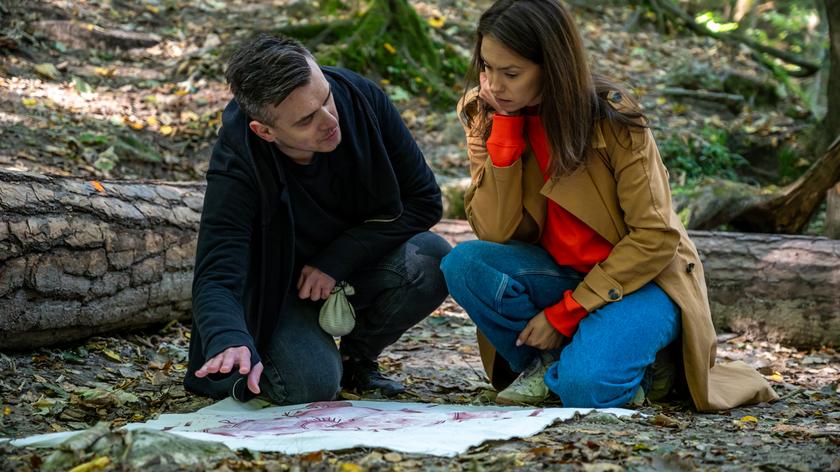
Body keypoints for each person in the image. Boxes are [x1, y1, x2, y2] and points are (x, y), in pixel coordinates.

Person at [440, 0, 777, 411]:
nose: (494, 85)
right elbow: (494, 231)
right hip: (556, 274)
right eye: (486, 67)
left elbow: (655, 237)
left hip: (642, 281)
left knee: (587, 389)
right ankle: (550, 365)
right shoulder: (486, 112)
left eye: (511, 74)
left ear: (553, 66)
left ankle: (650, 366)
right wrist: (506, 132)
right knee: (463, 263)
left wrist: (566, 313)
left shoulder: (613, 119)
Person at [185, 34, 451, 404]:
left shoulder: (360, 97)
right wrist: (228, 337)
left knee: (432, 260)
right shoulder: (239, 160)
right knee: (309, 386)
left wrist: (336, 260)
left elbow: (424, 201)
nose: (329, 120)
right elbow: (216, 271)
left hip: (352, 270)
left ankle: (357, 359)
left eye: (325, 98)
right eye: (306, 120)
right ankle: (292, 355)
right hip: (278, 293)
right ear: (265, 131)